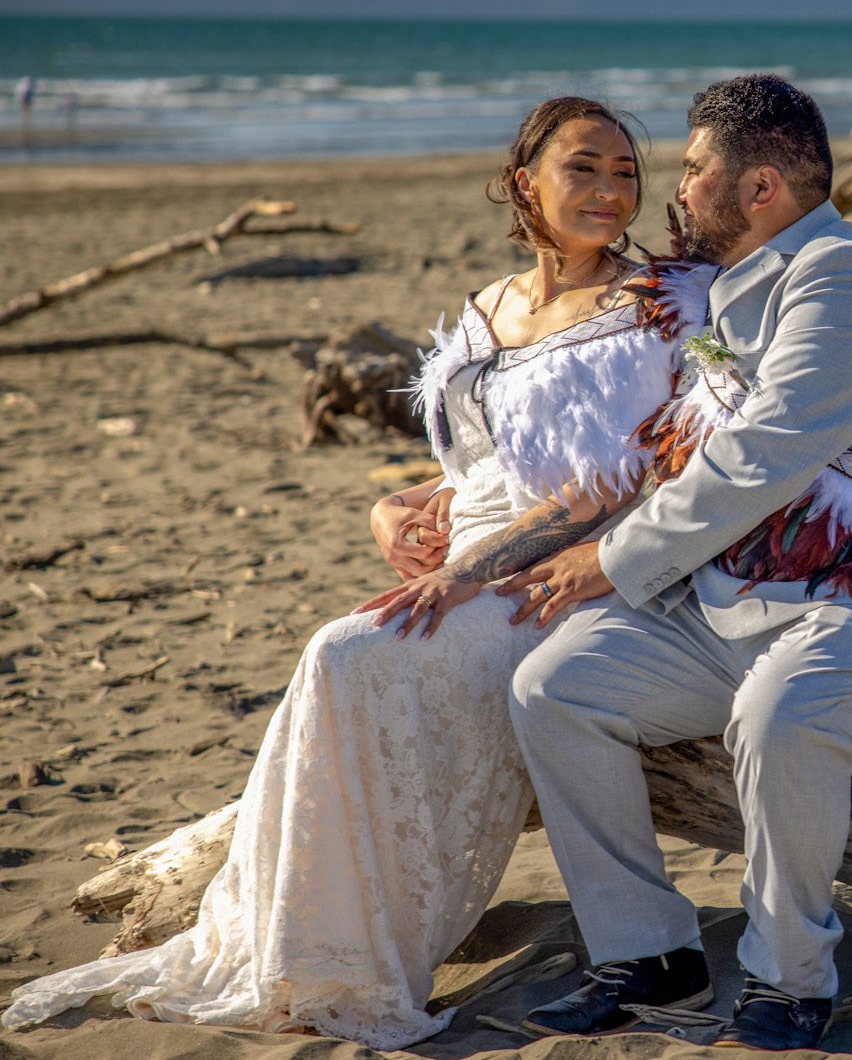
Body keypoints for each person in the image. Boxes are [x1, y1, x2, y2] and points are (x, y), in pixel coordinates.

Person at [2, 96, 713, 1048]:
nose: (608, 190)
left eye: (624, 171)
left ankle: (348, 954)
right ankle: (308, 937)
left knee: (345, 652)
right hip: (472, 554)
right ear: (523, 182)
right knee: (344, 661)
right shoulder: (490, 306)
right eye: (582, 167)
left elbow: (606, 481)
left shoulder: (647, 305)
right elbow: (487, 461)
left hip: (565, 574)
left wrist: (468, 576)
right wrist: (395, 506)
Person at [486, 74, 852, 1051]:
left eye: (694, 169)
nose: (677, 188)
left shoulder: (845, 277)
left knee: (778, 717)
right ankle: (648, 948)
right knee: (553, 686)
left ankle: (787, 977)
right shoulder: (726, 284)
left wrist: (610, 557)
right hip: (733, 603)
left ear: (763, 186)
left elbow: (764, 451)